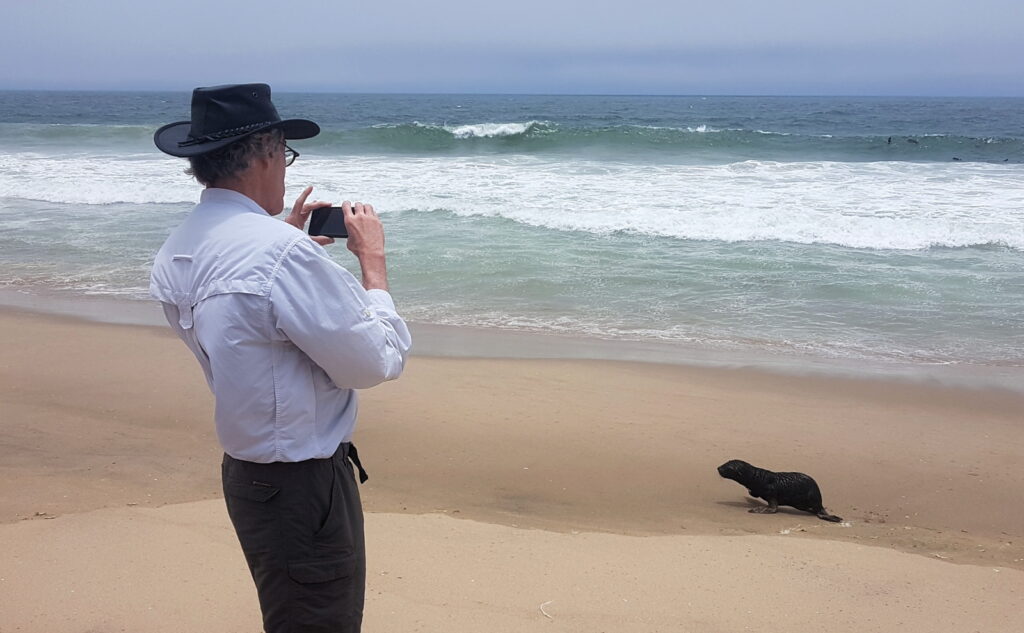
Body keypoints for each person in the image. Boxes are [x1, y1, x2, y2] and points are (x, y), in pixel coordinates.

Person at [150, 83, 411, 632]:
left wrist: (282, 240)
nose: (287, 169)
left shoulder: (179, 246)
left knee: (289, 613)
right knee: (319, 622)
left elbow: (241, 331)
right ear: (267, 153)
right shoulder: (278, 254)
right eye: (286, 155)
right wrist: (374, 265)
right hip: (301, 483)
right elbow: (374, 362)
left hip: (248, 476)